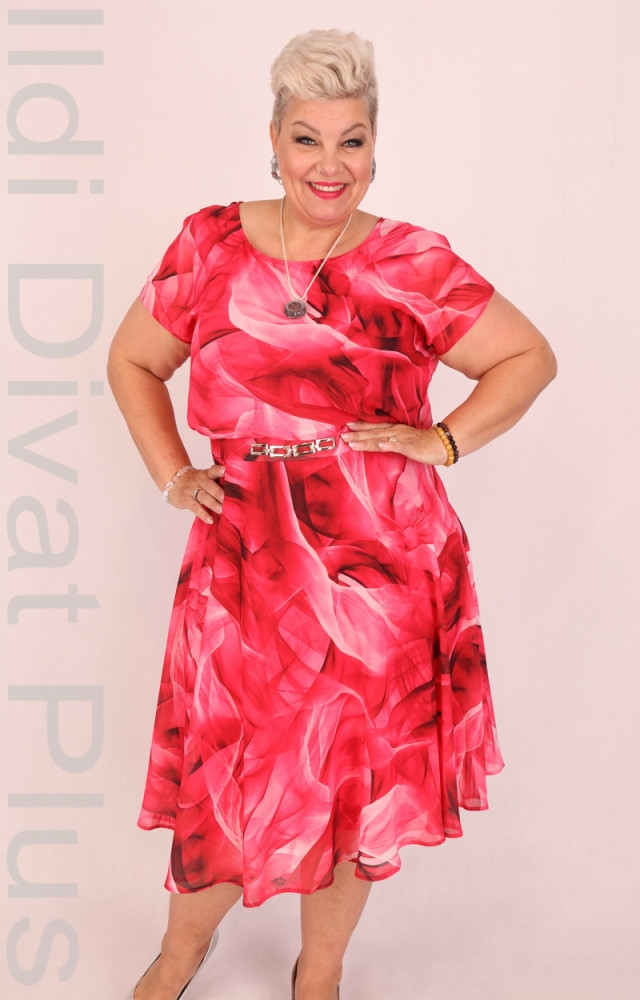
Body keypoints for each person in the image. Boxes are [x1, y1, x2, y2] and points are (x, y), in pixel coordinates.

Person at [108, 27, 557, 1000]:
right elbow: (133, 359)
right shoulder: (211, 243)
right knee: (226, 777)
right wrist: (173, 473)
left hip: (380, 571)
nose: (329, 163)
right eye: (308, 138)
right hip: (244, 566)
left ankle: (320, 970)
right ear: (273, 140)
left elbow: (529, 358)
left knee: (354, 787)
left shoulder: (412, 261)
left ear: (374, 146)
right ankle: (181, 950)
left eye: (351, 140)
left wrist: (440, 441)